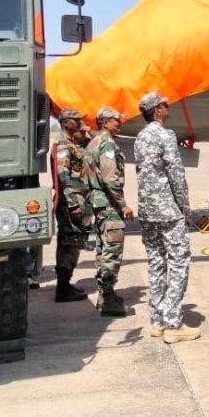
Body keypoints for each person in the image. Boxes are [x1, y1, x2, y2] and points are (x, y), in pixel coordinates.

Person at [134, 92, 200, 344]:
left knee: (156, 263)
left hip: (148, 210)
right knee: (179, 262)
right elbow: (176, 174)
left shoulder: (141, 137)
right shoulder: (165, 135)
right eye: (164, 104)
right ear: (157, 111)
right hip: (168, 210)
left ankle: (157, 321)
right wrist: (185, 209)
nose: (167, 106)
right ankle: (173, 323)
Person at [87, 107, 134, 316]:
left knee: (102, 248)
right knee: (113, 248)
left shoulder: (94, 141)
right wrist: (123, 204)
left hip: (98, 203)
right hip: (108, 203)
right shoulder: (106, 143)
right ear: (105, 123)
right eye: (116, 120)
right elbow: (110, 178)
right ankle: (108, 299)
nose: (120, 122)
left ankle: (104, 296)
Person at [52, 108, 94, 303]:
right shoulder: (63, 144)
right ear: (66, 122)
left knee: (72, 243)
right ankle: (63, 288)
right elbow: (63, 176)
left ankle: (65, 284)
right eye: (76, 120)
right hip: (71, 203)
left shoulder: (72, 143)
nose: (79, 123)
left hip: (77, 200)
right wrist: (73, 204)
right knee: (69, 244)